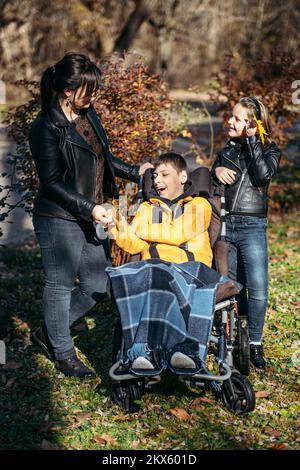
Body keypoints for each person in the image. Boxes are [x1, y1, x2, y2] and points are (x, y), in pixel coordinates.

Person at [29, 52, 152, 378]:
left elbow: (104, 157)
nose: (94, 96)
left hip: (91, 215)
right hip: (58, 217)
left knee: (97, 285)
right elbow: (52, 183)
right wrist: (91, 208)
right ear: (68, 90)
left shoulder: (87, 116)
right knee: (60, 284)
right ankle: (63, 352)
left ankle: (48, 333)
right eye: (89, 90)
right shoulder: (45, 127)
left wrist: (137, 172)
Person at [106, 153, 239, 375]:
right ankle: (144, 351)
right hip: (154, 271)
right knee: (152, 272)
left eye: (164, 175)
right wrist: (116, 224)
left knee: (161, 273)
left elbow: (179, 234)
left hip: (190, 271)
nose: (157, 181)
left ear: (183, 177)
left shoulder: (199, 205)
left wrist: (139, 228)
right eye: (155, 175)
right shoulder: (148, 208)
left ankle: (184, 348)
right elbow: (135, 244)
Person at [211, 96, 281, 370]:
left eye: (238, 119)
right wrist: (215, 170)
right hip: (228, 225)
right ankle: (232, 339)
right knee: (232, 286)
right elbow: (214, 190)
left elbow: (262, 175)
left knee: (258, 287)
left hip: (252, 227)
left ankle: (254, 342)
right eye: (232, 116)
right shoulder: (225, 152)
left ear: (253, 125)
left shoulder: (270, 149)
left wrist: (253, 140)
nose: (231, 121)